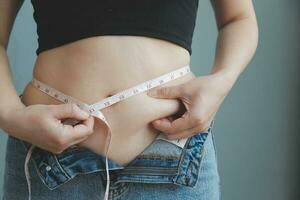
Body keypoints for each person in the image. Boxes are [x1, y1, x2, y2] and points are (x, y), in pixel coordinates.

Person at [0, 0, 258, 200]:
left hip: (176, 154)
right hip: (49, 158)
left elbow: (238, 18)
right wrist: (11, 115)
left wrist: (223, 80)